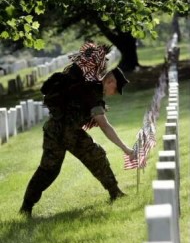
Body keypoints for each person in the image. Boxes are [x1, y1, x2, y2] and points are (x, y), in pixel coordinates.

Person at [19, 42, 134, 217]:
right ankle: (115, 193)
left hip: (53, 129)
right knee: (96, 157)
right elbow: (104, 125)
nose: (115, 93)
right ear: (110, 81)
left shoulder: (89, 88)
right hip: (68, 132)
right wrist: (125, 149)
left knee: (48, 170)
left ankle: (26, 208)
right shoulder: (93, 93)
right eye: (116, 89)